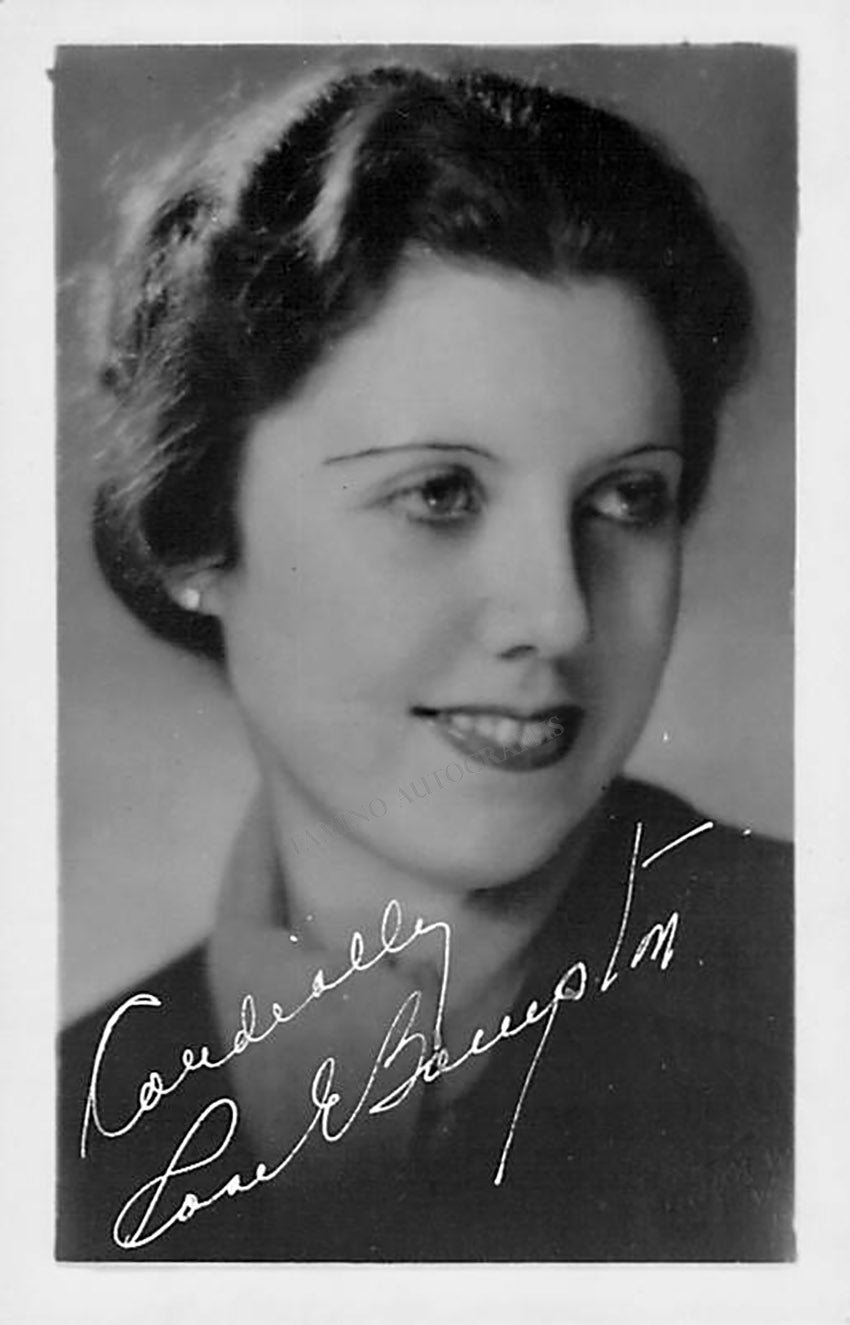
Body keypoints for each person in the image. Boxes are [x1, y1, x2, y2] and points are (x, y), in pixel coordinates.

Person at [57, 59, 793, 1262]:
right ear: (196, 529)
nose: (559, 615)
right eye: (439, 492)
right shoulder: (57, 1129)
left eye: (627, 497)